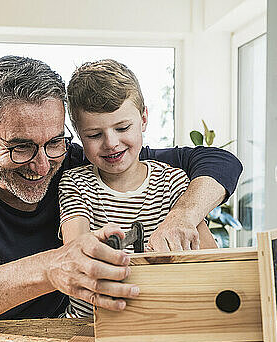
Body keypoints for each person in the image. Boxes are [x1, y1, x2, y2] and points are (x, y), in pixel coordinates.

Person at [0, 55, 243, 340]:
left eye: (54, 141)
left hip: (72, 338)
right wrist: (52, 267)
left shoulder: (81, 159)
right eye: (21, 147)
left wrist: (182, 217)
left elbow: (216, 161)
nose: (41, 164)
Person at [59, 59, 218, 318]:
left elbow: (212, 262)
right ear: (78, 133)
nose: (111, 143)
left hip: (160, 319)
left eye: (123, 128)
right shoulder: (76, 183)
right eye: (94, 135)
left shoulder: (173, 182)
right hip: (88, 326)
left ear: (143, 118)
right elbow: (76, 258)